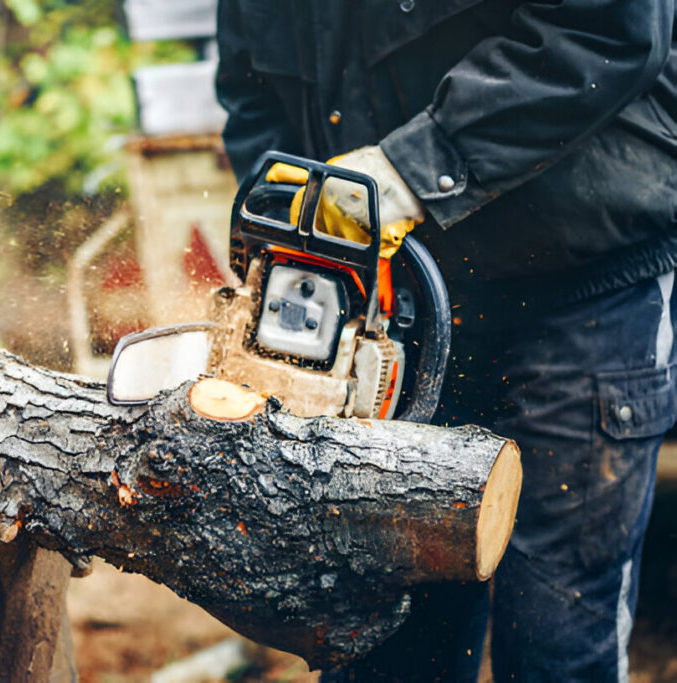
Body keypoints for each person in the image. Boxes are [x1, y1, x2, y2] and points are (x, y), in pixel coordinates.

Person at [215, 2, 677, 680]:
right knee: (385, 641)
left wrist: (410, 170)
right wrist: (295, 230)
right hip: (399, 316)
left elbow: (607, 28)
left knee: (553, 641)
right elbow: (253, 91)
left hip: (581, 286)